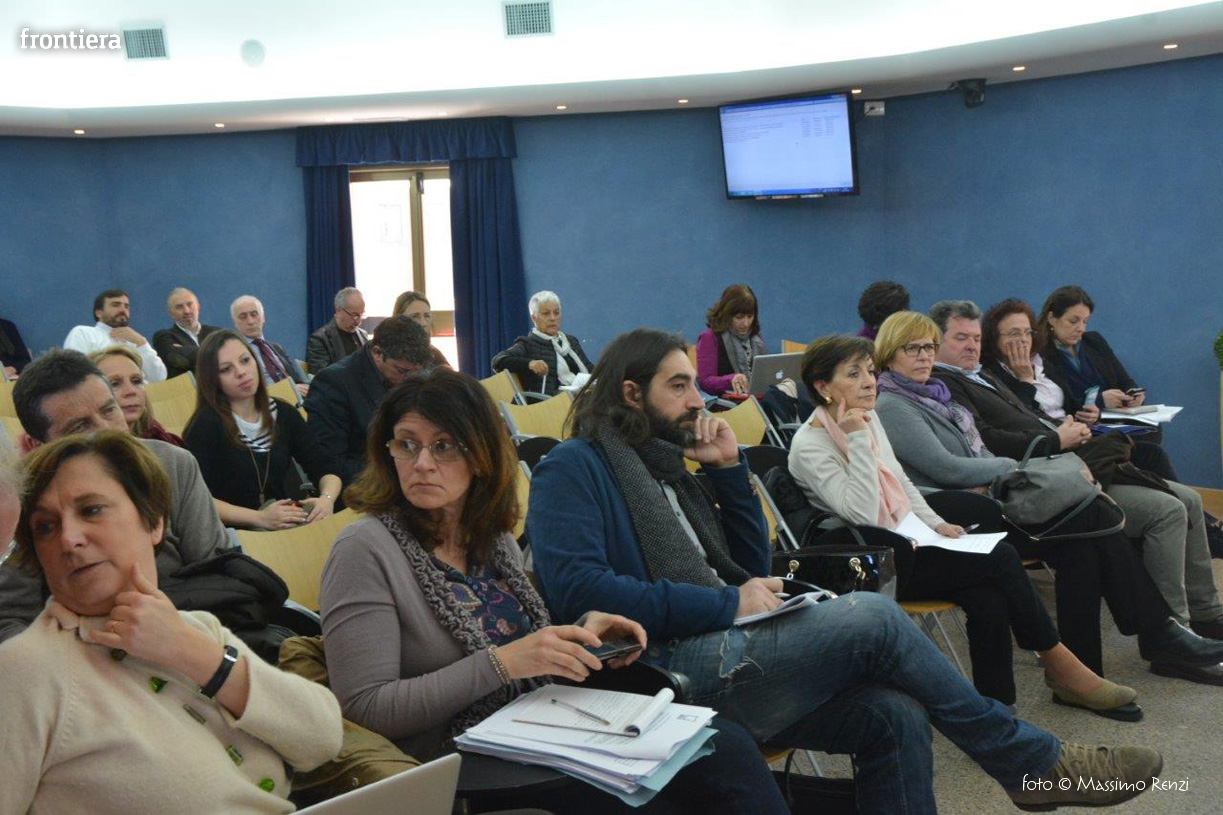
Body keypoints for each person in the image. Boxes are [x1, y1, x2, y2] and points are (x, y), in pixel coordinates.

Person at [528, 327, 1162, 814]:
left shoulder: (668, 467)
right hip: (663, 670)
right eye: (679, 386)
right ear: (631, 394)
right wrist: (726, 605)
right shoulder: (573, 469)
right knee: (873, 617)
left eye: (695, 383)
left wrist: (728, 474)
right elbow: (579, 592)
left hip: (723, 647)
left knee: (895, 714)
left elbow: (749, 570)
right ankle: (1031, 763)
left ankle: (1029, 764)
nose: (698, 400)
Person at [319, 368, 789, 814]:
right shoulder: (364, 549)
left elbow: (520, 645)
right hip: (457, 759)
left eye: (444, 446)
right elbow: (365, 709)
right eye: (407, 444)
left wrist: (581, 633)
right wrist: (503, 664)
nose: (422, 463)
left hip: (536, 722)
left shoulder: (489, 536)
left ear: (481, 456)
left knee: (725, 747)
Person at [790, 330, 1135, 717]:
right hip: (877, 563)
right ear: (822, 386)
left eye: (869, 370)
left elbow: (901, 484)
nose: (869, 381)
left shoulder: (865, 419)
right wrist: (856, 441)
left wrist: (937, 524)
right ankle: (1062, 665)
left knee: (988, 598)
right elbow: (864, 514)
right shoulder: (810, 445)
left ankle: (998, 710)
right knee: (1001, 559)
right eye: (853, 374)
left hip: (910, 540)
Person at [0, 430, 342, 815]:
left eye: (91, 510)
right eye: (45, 527)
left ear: (154, 523)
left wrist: (194, 654)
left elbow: (323, 739)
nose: (69, 539)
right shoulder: (26, 670)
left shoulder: (195, 628)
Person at [928, 300, 1223, 684]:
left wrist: (1073, 424)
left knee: (1186, 498)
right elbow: (983, 443)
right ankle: (1170, 634)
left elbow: (1036, 415)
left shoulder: (981, 374)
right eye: (960, 338)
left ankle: (1198, 618)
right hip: (1035, 483)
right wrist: (1055, 438)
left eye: (975, 337)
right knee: (1152, 512)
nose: (971, 345)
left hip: (1063, 463)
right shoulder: (948, 383)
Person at [0, 350, 233, 644]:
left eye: (109, 410)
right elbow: (9, 622)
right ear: (38, 445)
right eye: (80, 427)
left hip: (190, 631)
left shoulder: (174, 464)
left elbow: (221, 571)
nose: (106, 430)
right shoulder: (26, 497)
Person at [184, 330, 342, 530]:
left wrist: (326, 500)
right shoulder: (205, 425)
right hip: (233, 532)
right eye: (226, 369)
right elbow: (197, 499)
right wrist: (260, 518)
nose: (241, 372)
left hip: (280, 524)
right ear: (212, 379)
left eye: (245, 360)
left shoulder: (282, 413)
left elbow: (326, 468)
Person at [305, 315, 435, 483]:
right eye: (402, 371)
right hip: (368, 484)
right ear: (377, 353)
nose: (410, 379)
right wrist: (397, 473)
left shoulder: (413, 373)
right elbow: (330, 464)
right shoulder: (333, 384)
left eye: (417, 372)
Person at [1037, 285, 1144, 412]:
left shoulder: (1094, 341)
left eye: (1085, 322)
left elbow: (1125, 381)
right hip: (1076, 421)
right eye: (1073, 321)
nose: (1081, 328)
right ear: (1052, 319)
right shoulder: (1041, 355)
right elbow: (1059, 404)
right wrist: (1099, 401)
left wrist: (1133, 393)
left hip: (1115, 417)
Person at [491, 290, 592, 396]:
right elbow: (497, 362)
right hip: (552, 401)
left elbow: (589, 369)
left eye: (556, 313)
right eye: (546, 314)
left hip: (582, 395)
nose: (553, 318)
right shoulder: (527, 344)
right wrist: (529, 363)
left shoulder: (571, 341)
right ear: (534, 318)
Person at [88, 346, 186, 447]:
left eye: (136, 381)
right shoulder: (85, 450)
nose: (131, 391)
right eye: (115, 384)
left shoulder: (165, 444)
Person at [63, 288, 168, 383]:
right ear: (99, 313)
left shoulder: (135, 342)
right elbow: (73, 373)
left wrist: (142, 344)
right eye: (115, 305)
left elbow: (159, 378)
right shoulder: (84, 333)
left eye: (126, 306)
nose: (123, 310)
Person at [230, 295, 310, 396]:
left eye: (254, 314)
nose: (250, 321)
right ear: (235, 323)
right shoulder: (236, 354)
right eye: (243, 317)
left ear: (263, 317)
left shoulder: (276, 347)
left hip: (296, 398)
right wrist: (288, 390)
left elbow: (296, 379)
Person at [695, 284, 765, 397]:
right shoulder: (709, 337)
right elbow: (705, 382)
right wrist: (730, 379)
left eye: (750, 316)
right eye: (739, 317)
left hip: (754, 398)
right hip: (727, 403)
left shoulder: (755, 338)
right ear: (727, 314)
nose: (746, 323)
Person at [152, 287, 222, 380]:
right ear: (171, 313)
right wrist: (216, 354)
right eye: (179, 307)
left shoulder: (218, 333)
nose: (186, 311)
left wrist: (185, 350)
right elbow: (178, 359)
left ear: (198, 306)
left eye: (189, 304)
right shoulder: (164, 337)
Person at [307, 287, 369, 373]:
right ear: (338, 310)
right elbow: (322, 375)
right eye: (354, 315)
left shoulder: (363, 335)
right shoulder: (320, 339)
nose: (359, 321)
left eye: (361, 315)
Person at [392, 290, 449, 368]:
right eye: (415, 316)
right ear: (399, 320)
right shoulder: (389, 356)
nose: (423, 323)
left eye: (427, 316)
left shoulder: (435, 355)